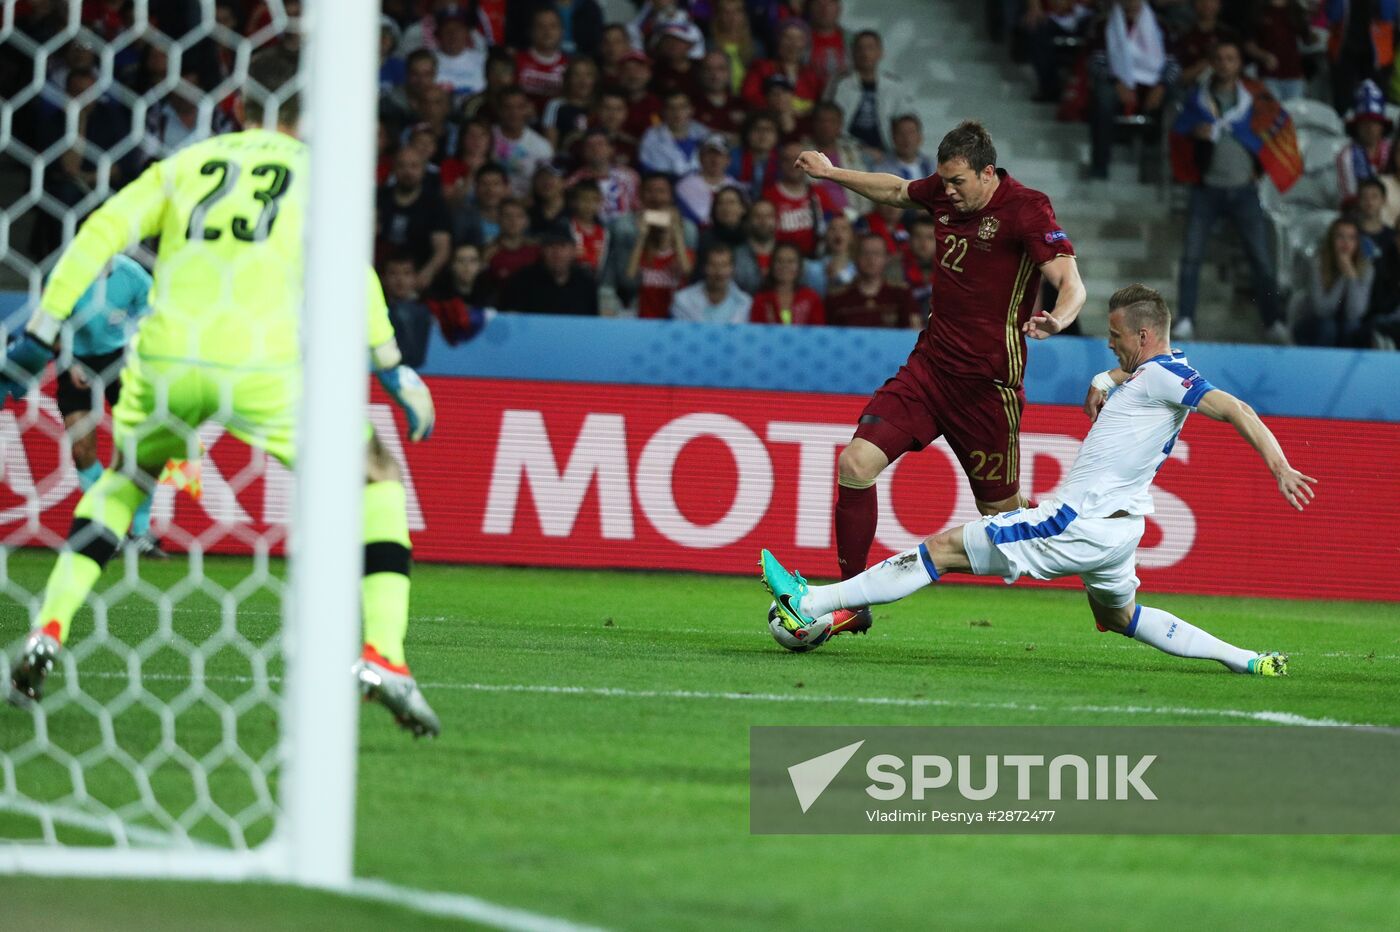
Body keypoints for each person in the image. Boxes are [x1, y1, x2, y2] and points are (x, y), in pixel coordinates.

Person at [4, 55, 442, 735]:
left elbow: (100, 232)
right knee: (377, 477)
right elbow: (354, 276)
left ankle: (49, 628)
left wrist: (40, 330)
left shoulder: (190, 163)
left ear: (240, 105)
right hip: (261, 364)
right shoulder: (318, 176)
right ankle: (385, 652)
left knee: (124, 485)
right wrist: (393, 370)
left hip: (166, 356)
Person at [762, 284, 1309, 678]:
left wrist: (1279, 465)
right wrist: (1104, 377)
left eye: (1116, 337)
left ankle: (811, 602)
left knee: (944, 550)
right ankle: (1248, 661)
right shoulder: (1157, 368)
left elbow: (1236, 408)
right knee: (1120, 616)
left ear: (1143, 335)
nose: (1109, 345)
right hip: (1119, 534)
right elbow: (1134, 371)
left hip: (1082, 521)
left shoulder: (1168, 375)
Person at [794, 119, 1085, 636]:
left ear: (988, 173)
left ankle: (1084, 545)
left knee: (1004, 515)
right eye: (943, 183)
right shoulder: (948, 194)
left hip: (987, 390)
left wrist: (1058, 319)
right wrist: (832, 173)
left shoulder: (1027, 207)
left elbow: (1069, 277)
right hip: (928, 371)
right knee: (855, 463)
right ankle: (850, 596)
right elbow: (897, 190)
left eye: (957, 183)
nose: (946, 193)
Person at [1170, 40, 1288, 342]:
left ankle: (1273, 321)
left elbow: (1271, 133)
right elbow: (1178, 132)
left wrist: (1260, 170)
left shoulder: (1255, 99)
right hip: (1206, 190)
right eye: (1219, 58)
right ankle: (1184, 319)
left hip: (1244, 190)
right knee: (1191, 257)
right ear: (1212, 63)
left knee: (1261, 259)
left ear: (1239, 64)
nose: (1225, 64)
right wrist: (1195, 134)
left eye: (1231, 58)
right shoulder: (1198, 98)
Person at [48, 255, 163, 557]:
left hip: (119, 358)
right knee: (81, 448)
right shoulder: (68, 273)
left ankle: (140, 532)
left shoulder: (133, 275)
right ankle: (107, 526)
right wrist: (70, 363)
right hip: (76, 359)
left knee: (139, 445)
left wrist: (135, 342)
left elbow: (150, 311)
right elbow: (49, 325)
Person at [1087, 0, 1176, 180]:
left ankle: (1165, 170)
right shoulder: (1103, 24)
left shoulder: (1161, 25)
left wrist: (1161, 85)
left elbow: (1173, 63)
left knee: (1177, 99)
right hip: (1117, 83)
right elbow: (1095, 62)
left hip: (1153, 85)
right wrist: (1117, 82)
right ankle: (1100, 165)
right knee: (1103, 96)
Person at [824, 30, 916, 157]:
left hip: (886, 152)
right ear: (853, 53)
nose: (865, 53)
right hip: (846, 150)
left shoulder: (894, 86)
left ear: (880, 53)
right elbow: (830, 123)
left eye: (870, 48)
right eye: (860, 49)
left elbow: (906, 119)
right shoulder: (841, 85)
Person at [376, 145, 452, 295]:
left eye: (414, 166)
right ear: (394, 169)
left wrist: (426, 275)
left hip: (418, 279)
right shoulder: (379, 198)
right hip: (380, 276)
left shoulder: (434, 204)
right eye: (402, 165)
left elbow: (442, 249)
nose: (408, 171)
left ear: (423, 169)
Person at [1293, 218, 1376, 348]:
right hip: (1313, 324)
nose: (1346, 242)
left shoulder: (1366, 268)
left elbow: (1355, 314)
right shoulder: (1318, 263)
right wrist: (1343, 277)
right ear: (1331, 240)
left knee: (1352, 327)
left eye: (1351, 238)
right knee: (1328, 326)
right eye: (1340, 237)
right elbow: (1321, 310)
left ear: (1358, 242)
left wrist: (1351, 277)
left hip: (1344, 326)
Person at [824, 233, 919, 328]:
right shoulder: (836, 298)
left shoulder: (902, 294)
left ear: (886, 258)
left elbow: (913, 333)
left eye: (877, 253)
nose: (871, 259)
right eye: (865, 253)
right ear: (856, 258)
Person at [501, 230, 600, 315]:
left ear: (573, 251)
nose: (557, 253)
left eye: (562, 246)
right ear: (542, 251)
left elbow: (593, 322)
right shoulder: (521, 281)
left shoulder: (586, 284)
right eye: (551, 246)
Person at [1337, 79, 1395, 207]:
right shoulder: (1346, 156)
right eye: (1365, 123)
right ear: (1356, 127)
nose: (1370, 128)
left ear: (1382, 127)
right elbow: (1350, 198)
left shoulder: (1394, 150)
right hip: (1361, 214)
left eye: (1375, 123)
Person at [490, 86, 554, 198]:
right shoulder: (486, 136)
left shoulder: (542, 146)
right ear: (499, 110)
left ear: (527, 109)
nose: (513, 113)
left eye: (519, 107)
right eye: (507, 107)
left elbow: (546, 183)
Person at [670, 243, 753, 323]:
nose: (719, 272)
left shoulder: (744, 303)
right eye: (713, 265)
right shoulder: (683, 300)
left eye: (724, 265)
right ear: (704, 268)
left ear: (732, 269)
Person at [750, 241, 825, 325]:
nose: (785, 266)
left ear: (799, 267)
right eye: (779, 261)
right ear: (772, 265)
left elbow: (818, 331)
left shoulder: (811, 298)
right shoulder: (761, 300)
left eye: (791, 261)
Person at [639, 91, 710, 177]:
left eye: (682, 107)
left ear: (691, 110)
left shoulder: (703, 132)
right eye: (671, 108)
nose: (677, 112)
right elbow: (649, 171)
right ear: (663, 111)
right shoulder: (651, 136)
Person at [676, 133, 738, 226]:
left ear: (728, 160)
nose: (714, 159)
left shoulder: (736, 187)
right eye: (709, 154)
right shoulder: (685, 185)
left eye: (719, 155)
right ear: (700, 158)